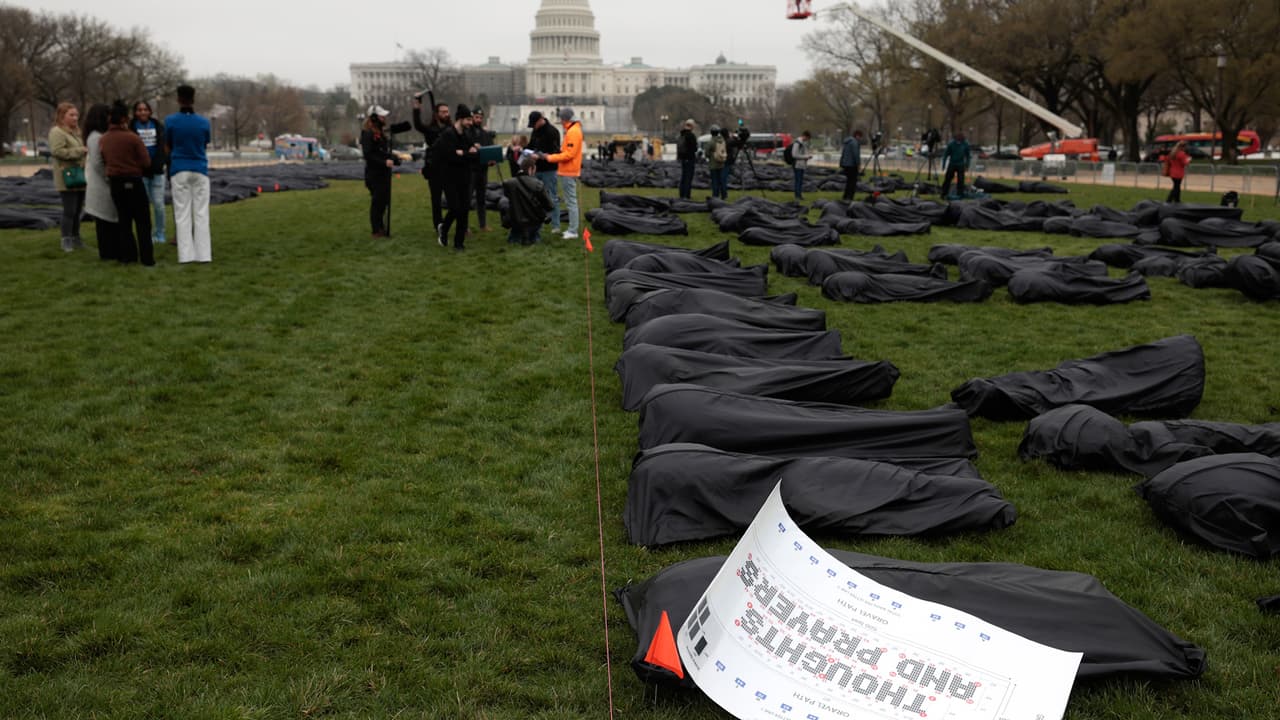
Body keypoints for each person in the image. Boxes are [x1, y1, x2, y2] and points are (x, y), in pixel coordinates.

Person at [100, 101, 156, 266]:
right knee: (143, 221)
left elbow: (103, 159)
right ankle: (147, 258)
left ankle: (128, 256)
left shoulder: (104, 139)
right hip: (134, 180)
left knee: (124, 221)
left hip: (115, 183)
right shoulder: (133, 138)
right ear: (125, 119)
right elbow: (146, 162)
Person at [164, 84, 213, 263]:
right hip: (200, 169)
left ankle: (185, 256)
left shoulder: (170, 121)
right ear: (194, 99)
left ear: (178, 99)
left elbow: (167, 145)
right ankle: (204, 255)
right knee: (201, 213)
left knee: (182, 214)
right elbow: (204, 143)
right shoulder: (204, 122)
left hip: (179, 169)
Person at [429, 103, 478, 251]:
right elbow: (450, 156)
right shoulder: (448, 134)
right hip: (449, 178)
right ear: (461, 119)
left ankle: (459, 243)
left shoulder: (467, 134)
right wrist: (466, 153)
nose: (471, 123)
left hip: (465, 176)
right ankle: (444, 228)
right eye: (468, 120)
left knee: (464, 210)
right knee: (455, 208)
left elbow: (473, 154)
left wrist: (463, 153)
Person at [359, 105, 411, 238]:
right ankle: (376, 230)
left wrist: (396, 158)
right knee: (377, 203)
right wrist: (384, 162)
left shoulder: (381, 132)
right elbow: (369, 154)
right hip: (374, 174)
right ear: (374, 117)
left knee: (383, 202)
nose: (384, 118)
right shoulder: (367, 133)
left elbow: (382, 152)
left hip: (384, 173)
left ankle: (381, 228)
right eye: (382, 116)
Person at [81, 103, 119, 261]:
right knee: (104, 222)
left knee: (107, 222)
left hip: (101, 184)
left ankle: (110, 252)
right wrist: (109, 177)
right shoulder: (96, 137)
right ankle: (107, 253)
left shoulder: (96, 135)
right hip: (101, 186)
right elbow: (98, 163)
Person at [49, 102, 87, 253]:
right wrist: (80, 151)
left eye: (76, 115)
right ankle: (66, 240)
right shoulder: (57, 132)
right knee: (69, 210)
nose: (75, 118)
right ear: (61, 116)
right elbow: (57, 151)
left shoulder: (76, 132)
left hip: (80, 175)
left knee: (78, 210)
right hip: (67, 176)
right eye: (71, 115)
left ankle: (76, 237)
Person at [129, 100, 167, 245]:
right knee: (142, 206)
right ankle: (146, 234)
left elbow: (163, 147)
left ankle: (160, 233)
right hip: (139, 173)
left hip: (157, 172)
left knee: (158, 204)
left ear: (150, 111)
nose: (142, 112)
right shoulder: (131, 127)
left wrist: (160, 163)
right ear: (135, 112)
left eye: (145, 109)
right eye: (139, 110)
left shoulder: (158, 126)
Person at [541, 107, 582, 240]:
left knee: (571, 202)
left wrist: (550, 157)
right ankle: (572, 229)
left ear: (565, 119)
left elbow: (569, 154)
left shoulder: (573, 132)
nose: (561, 122)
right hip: (568, 170)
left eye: (562, 119)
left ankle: (573, 230)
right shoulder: (573, 130)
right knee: (571, 201)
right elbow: (567, 152)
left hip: (569, 171)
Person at [412, 94, 451, 231]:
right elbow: (418, 125)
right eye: (443, 112)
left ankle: (458, 225)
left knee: (453, 199)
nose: (446, 114)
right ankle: (439, 226)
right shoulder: (431, 129)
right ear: (437, 114)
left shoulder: (451, 128)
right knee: (436, 200)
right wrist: (417, 107)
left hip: (449, 168)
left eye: (447, 111)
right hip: (434, 169)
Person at [502, 155, 555, 246]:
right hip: (534, 221)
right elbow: (549, 205)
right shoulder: (538, 184)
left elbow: (506, 198)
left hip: (515, 220)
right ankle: (533, 238)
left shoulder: (509, 183)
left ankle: (515, 239)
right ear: (531, 169)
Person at [526, 111, 561, 236]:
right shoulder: (535, 131)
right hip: (537, 168)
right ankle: (538, 223)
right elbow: (531, 145)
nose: (533, 127)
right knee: (536, 197)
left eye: (534, 124)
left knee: (552, 196)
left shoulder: (553, 132)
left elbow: (555, 152)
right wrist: (524, 150)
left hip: (549, 169)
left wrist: (539, 156)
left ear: (541, 120)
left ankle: (556, 225)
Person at [466, 107, 497, 231]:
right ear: (472, 117)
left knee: (481, 198)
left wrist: (492, 160)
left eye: (480, 117)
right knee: (467, 199)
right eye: (476, 117)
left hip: (483, 170)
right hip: (470, 170)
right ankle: (465, 227)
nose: (478, 120)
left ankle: (483, 224)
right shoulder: (467, 133)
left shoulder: (485, 134)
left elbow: (490, 149)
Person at [940, 131, 971, 199]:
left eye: (961, 139)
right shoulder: (951, 144)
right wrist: (943, 165)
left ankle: (960, 194)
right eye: (958, 139)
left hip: (961, 164)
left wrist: (967, 165)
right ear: (956, 138)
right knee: (948, 179)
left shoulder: (965, 144)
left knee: (961, 180)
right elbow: (946, 155)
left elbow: (968, 156)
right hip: (952, 164)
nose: (959, 141)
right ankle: (944, 193)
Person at [676, 118, 698, 200]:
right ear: (692, 126)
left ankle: (682, 194)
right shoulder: (691, 136)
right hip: (690, 158)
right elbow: (694, 148)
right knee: (688, 177)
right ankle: (686, 195)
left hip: (682, 158)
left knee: (683, 177)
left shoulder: (681, 135)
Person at [705, 125, 728, 200]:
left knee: (715, 181)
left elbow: (707, 153)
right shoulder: (722, 140)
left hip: (713, 164)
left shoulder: (711, 142)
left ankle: (715, 196)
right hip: (721, 163)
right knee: (722, 180)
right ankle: (724, 195)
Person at [840, 129, 863, 202]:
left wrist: (841, 163)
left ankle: (845, 196)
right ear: (857, 136)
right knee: (852, 182)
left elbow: (843, 153)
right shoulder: (854, 143)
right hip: (852, 165)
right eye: (860, 137)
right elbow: (856, 154)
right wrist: (858, 164)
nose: (860, 139)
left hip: (845, 164)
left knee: (848, 181)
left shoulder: (847, 142)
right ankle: (850, 197)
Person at [791, 130, 812, 201]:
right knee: (798, 180)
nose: (807, 140)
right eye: (807, 138)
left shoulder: (802, 143)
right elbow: (794, 155)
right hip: (797, 165)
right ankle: (797, 196)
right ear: (805, 136)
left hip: (801, 165)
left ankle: (799, 195)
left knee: (800, 181)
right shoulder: (797, 143)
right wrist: (805, 157)